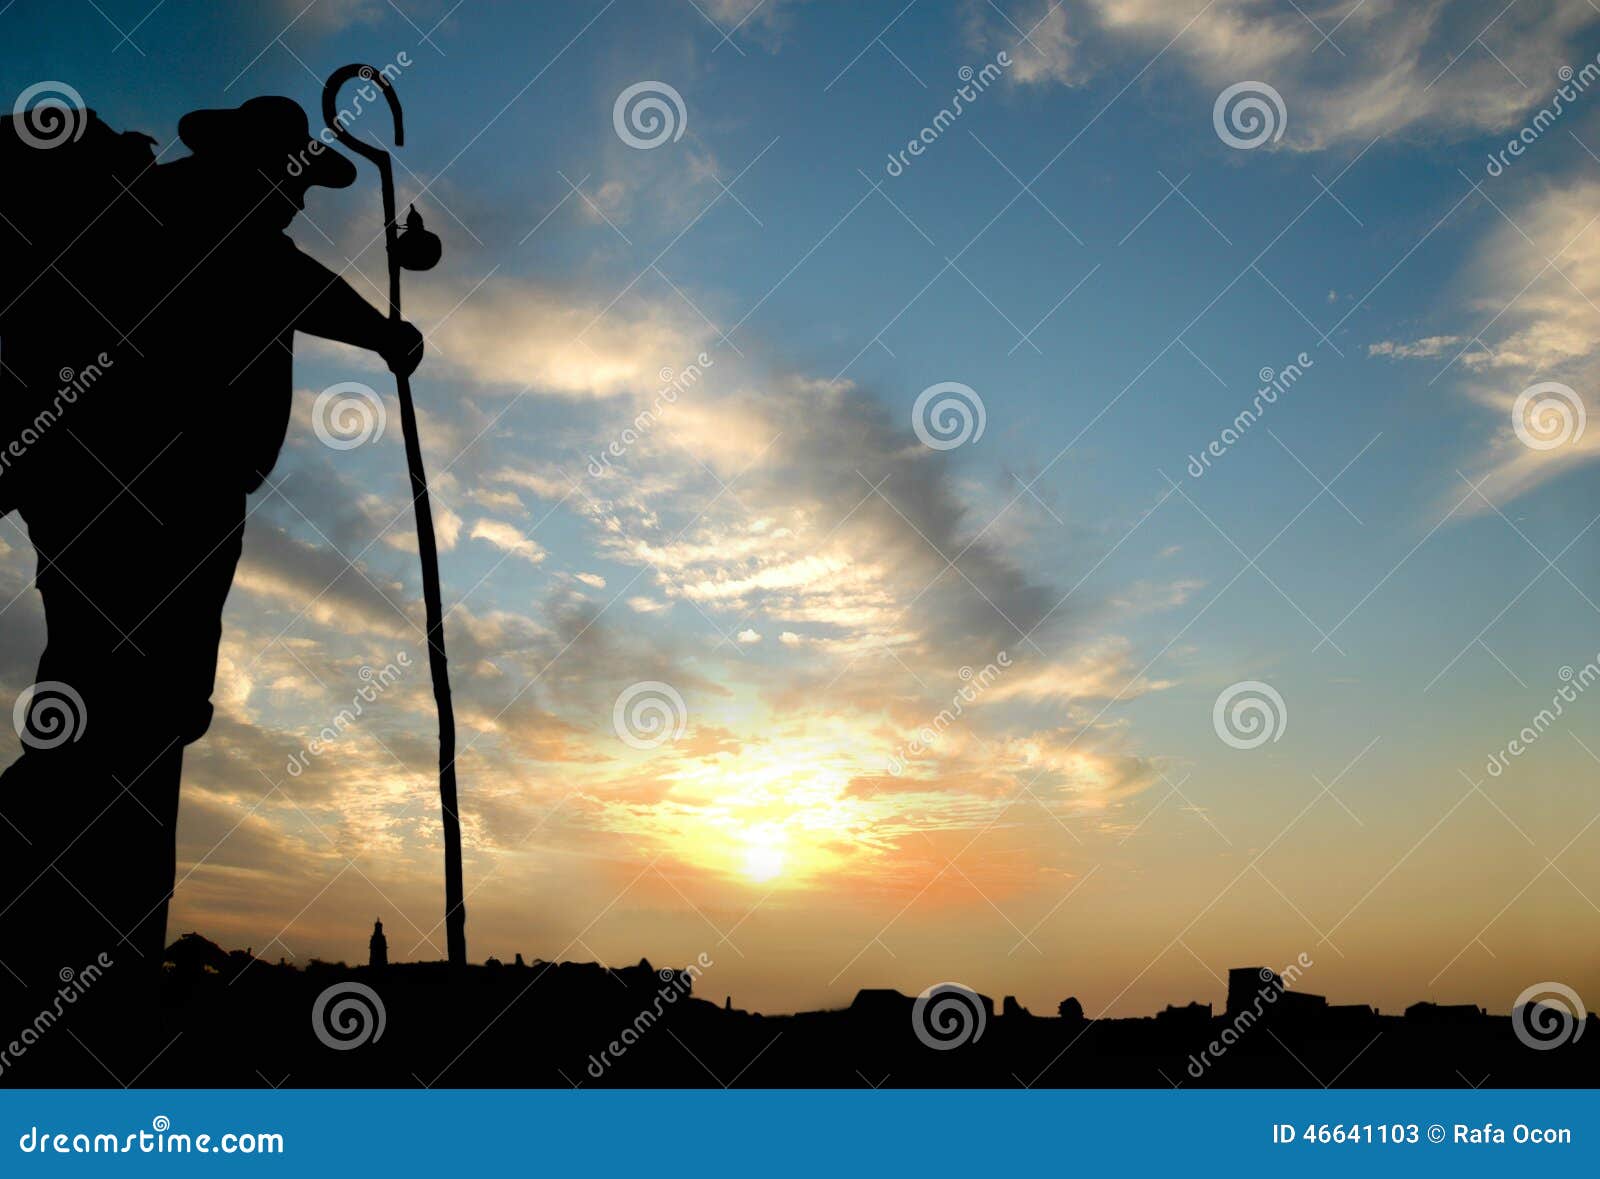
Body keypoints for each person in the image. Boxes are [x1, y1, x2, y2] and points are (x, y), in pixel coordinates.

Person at [0, 96, 423, 1082]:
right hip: (150, 503)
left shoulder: (196, 217)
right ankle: (82, 983)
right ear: (252, 165)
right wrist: (384, 336)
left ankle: (87, 971)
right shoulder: (203, 219)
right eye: (290, 179)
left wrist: (379, 332)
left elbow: (290, 281)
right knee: (128, 723)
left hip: (148, 505)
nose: (294, 202)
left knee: (122, 718)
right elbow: (294, 285)